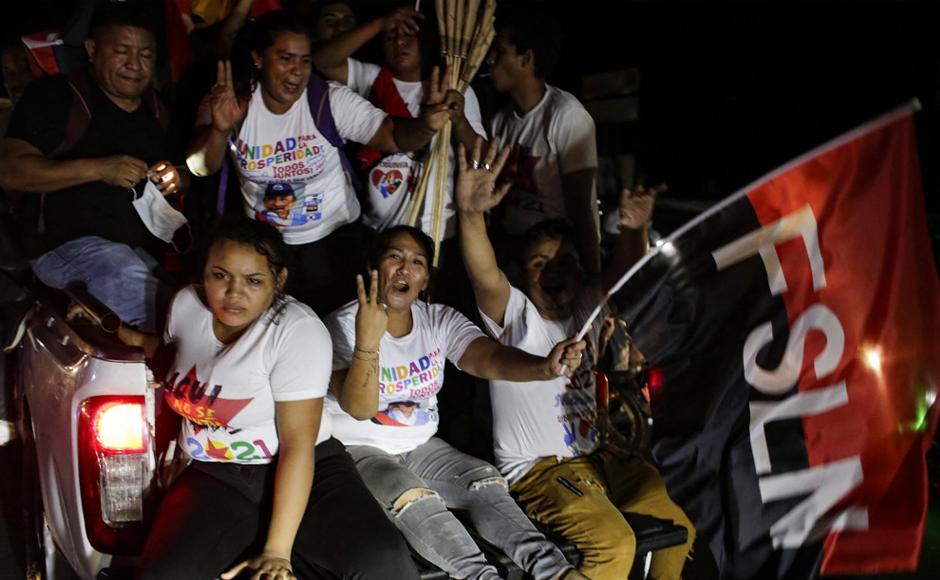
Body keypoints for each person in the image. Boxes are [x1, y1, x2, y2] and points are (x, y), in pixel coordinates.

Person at [102, 217, 420, 580]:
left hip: (305, 466)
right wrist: (128, 336)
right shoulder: (186, 305)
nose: (234, 293)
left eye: (253, 281)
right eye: (220, 276)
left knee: (385, 563)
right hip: (216, 472)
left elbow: (298, 443)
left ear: (279, 280)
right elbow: (183, 361)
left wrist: (276, 551)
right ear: (203, 273)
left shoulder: (295, 330)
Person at [456, 137, 695, 578]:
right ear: (523, 275)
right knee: (614, 545)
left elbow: (626, 275)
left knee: (677, 516)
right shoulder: (515, 317)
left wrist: (636, 228)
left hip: (597, 456)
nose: (553, 272)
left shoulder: (584, 306)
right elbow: (483, 273)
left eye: (564, 262)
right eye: (539, 264)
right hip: (539, 470)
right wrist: (471, 213)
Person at [324, 225, 589, 580]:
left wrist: (543, 367)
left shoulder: (438, 320)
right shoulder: (341, 324)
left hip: (420, 444)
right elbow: (359, 408)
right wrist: (367, 343)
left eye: (417, 262)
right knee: (414, 497)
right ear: (375, 269)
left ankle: (557, 573)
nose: (406, 268)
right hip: (357, 449)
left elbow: (489, 359)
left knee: (482, 480)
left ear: (425, 280)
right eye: (395, 258)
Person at [187, 10, 458, 316]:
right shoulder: (231, 103)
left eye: (304, 60)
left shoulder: (326, 100)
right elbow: (200, 167)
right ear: (259, 58)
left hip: (335, 243)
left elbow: (393, 136)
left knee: (338, 331)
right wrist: (220, 130)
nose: (297, 71)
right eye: (286, 58)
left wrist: (425, 126)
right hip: (268, 251)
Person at [0, 5, 181, 333]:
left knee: (186, 309)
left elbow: (179, 171)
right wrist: (99, 169)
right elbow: (11, 171)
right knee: (143, 302)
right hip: (62, 247)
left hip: (134, 249)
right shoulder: (55, 96)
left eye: (145, 54)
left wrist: (170, 176)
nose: (134, 65)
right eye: (122, 52)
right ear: (92, 50)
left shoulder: (156, 109)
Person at [312, 6, 487, 242]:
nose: (399, 43)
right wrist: (380, 22)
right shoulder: (371, 78)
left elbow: (484, 157)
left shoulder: (455, 88)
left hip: (437, 231)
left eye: (408, 35)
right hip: (380, 231)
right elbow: (323, 62)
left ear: (425, 40)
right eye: (390, 36)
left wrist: (460, 121)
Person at [486, 9, 600, 275]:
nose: (490, 60)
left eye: (500, 51)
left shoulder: (566, 116)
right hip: (514, 257)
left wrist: (594, 282)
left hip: (554, 262)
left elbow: (582, 210)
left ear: (526, 58)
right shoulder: (500, 121)